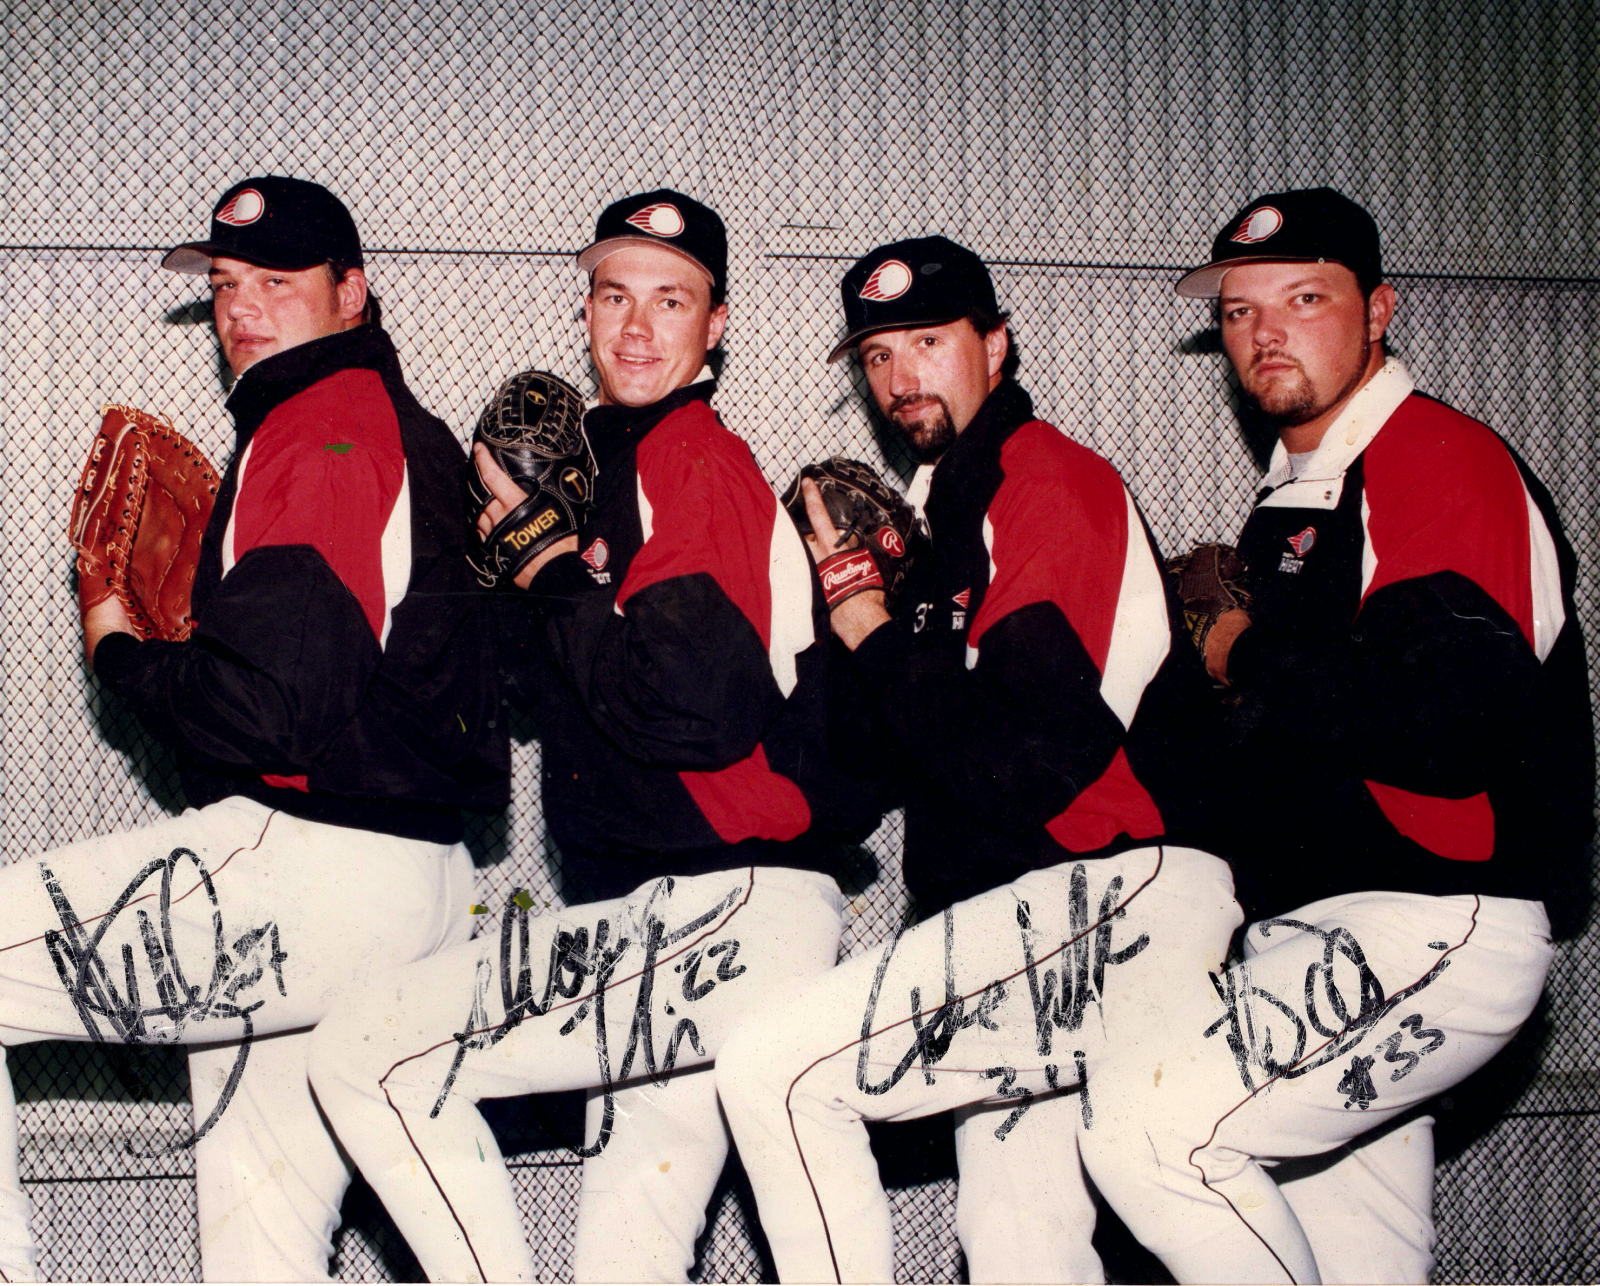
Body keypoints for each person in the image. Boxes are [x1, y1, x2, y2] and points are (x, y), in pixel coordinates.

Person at [308, 189, 878, 1283]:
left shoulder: (689, 460)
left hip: (724, 902)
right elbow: (557, 688)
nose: (634, 328)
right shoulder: (609, 477)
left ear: (716, 327)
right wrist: (508, 575)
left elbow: (694, 708)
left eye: (672, 301)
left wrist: (551, 571)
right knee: (629, 1248)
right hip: (677, 905)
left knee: (370, 1051)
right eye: (613, 294)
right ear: (585, 308)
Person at [1077, 187, 1594, 1284]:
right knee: (1359, 1257)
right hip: (1327, 928)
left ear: (1378, 311)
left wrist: (1239, 651)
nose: (1265, 332)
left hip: (1432, 919)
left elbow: (1448, 723)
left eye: (1304, 297)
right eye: (1237, 311)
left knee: (1146, 1131)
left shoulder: (1432, 459)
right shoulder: (1300, 493)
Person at [0, 175, 507, 1281]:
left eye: (278, 282)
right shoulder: (395, 428)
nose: (242, 309)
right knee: (260, 1243)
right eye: (228, 285)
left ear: (352, 293)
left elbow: (267, 707)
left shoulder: (323, 428)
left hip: (311, 864)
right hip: (408, 882)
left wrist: (121, 645)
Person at [712, 235, 1241, 1284]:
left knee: (775, 1068)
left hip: (1115, 892)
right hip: (1031, 909)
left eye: (927, 341)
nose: (900, 377)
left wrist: (868, 620)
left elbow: (1023, 762)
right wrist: (832, 627)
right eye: (874, 355)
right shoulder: (944, 517)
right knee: (1017, 1236)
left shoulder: (1042, 480)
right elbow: (863, 770)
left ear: (994, 346)